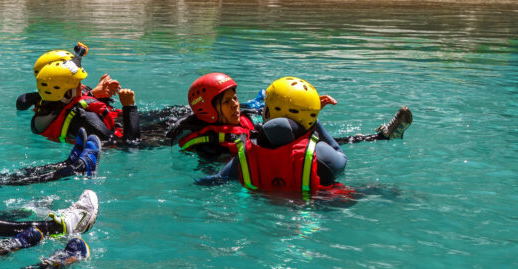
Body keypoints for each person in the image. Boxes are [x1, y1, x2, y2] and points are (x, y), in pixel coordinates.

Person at [170, 73, 412, 162]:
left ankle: (381, 137)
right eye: (227, 101)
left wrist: (308, 113)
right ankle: (382, 138)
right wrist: (129, 110)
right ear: (209, 110)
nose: (235, 105)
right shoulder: (206, 146)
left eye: (235, 98)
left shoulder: (241, 119)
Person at [202, 76, 351, 198]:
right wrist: (313, 122)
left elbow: (215, 181)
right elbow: (341, 159)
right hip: (308, 218)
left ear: (267, 114)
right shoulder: (320, 153)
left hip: (259, 217)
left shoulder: (246, 155)